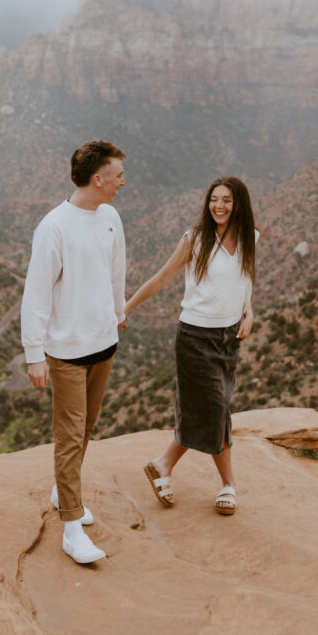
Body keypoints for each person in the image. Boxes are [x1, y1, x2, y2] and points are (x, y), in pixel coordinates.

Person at [124, 176, 257, 516]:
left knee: (216, 407)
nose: (219, 206)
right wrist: (126, 307)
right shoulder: (195, 239)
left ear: (238, 203)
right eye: (214, 199)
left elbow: (246, 280)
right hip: (195, 338)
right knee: (215, 408)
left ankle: (163, 465)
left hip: (229, 339)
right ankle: (226, 483)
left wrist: (249, 311)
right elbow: (161, 277)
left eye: (226, 200)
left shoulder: (248, 238)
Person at [21, 140, 127, 564]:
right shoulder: (54, 227)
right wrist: (34, 352)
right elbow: (36, 293)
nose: (123, 182)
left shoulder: (111, 217)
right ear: (97, 179)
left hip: (104, 343)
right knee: (68, 437)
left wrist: (117, 311)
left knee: (85, 430)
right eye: (118, 175)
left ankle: (62, 489)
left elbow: (117, 269)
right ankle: (71, 528)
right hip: (66, 351)